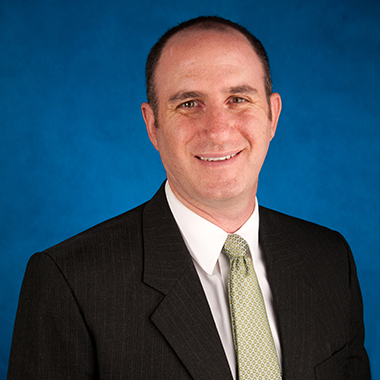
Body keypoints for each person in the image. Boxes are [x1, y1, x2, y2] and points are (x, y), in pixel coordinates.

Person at [7, 16, 371, 380]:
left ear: (272, 115)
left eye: (238, 99)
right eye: (189, 104)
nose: (217, 129)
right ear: (153, 125)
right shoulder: (70, 282)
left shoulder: (330, 259)